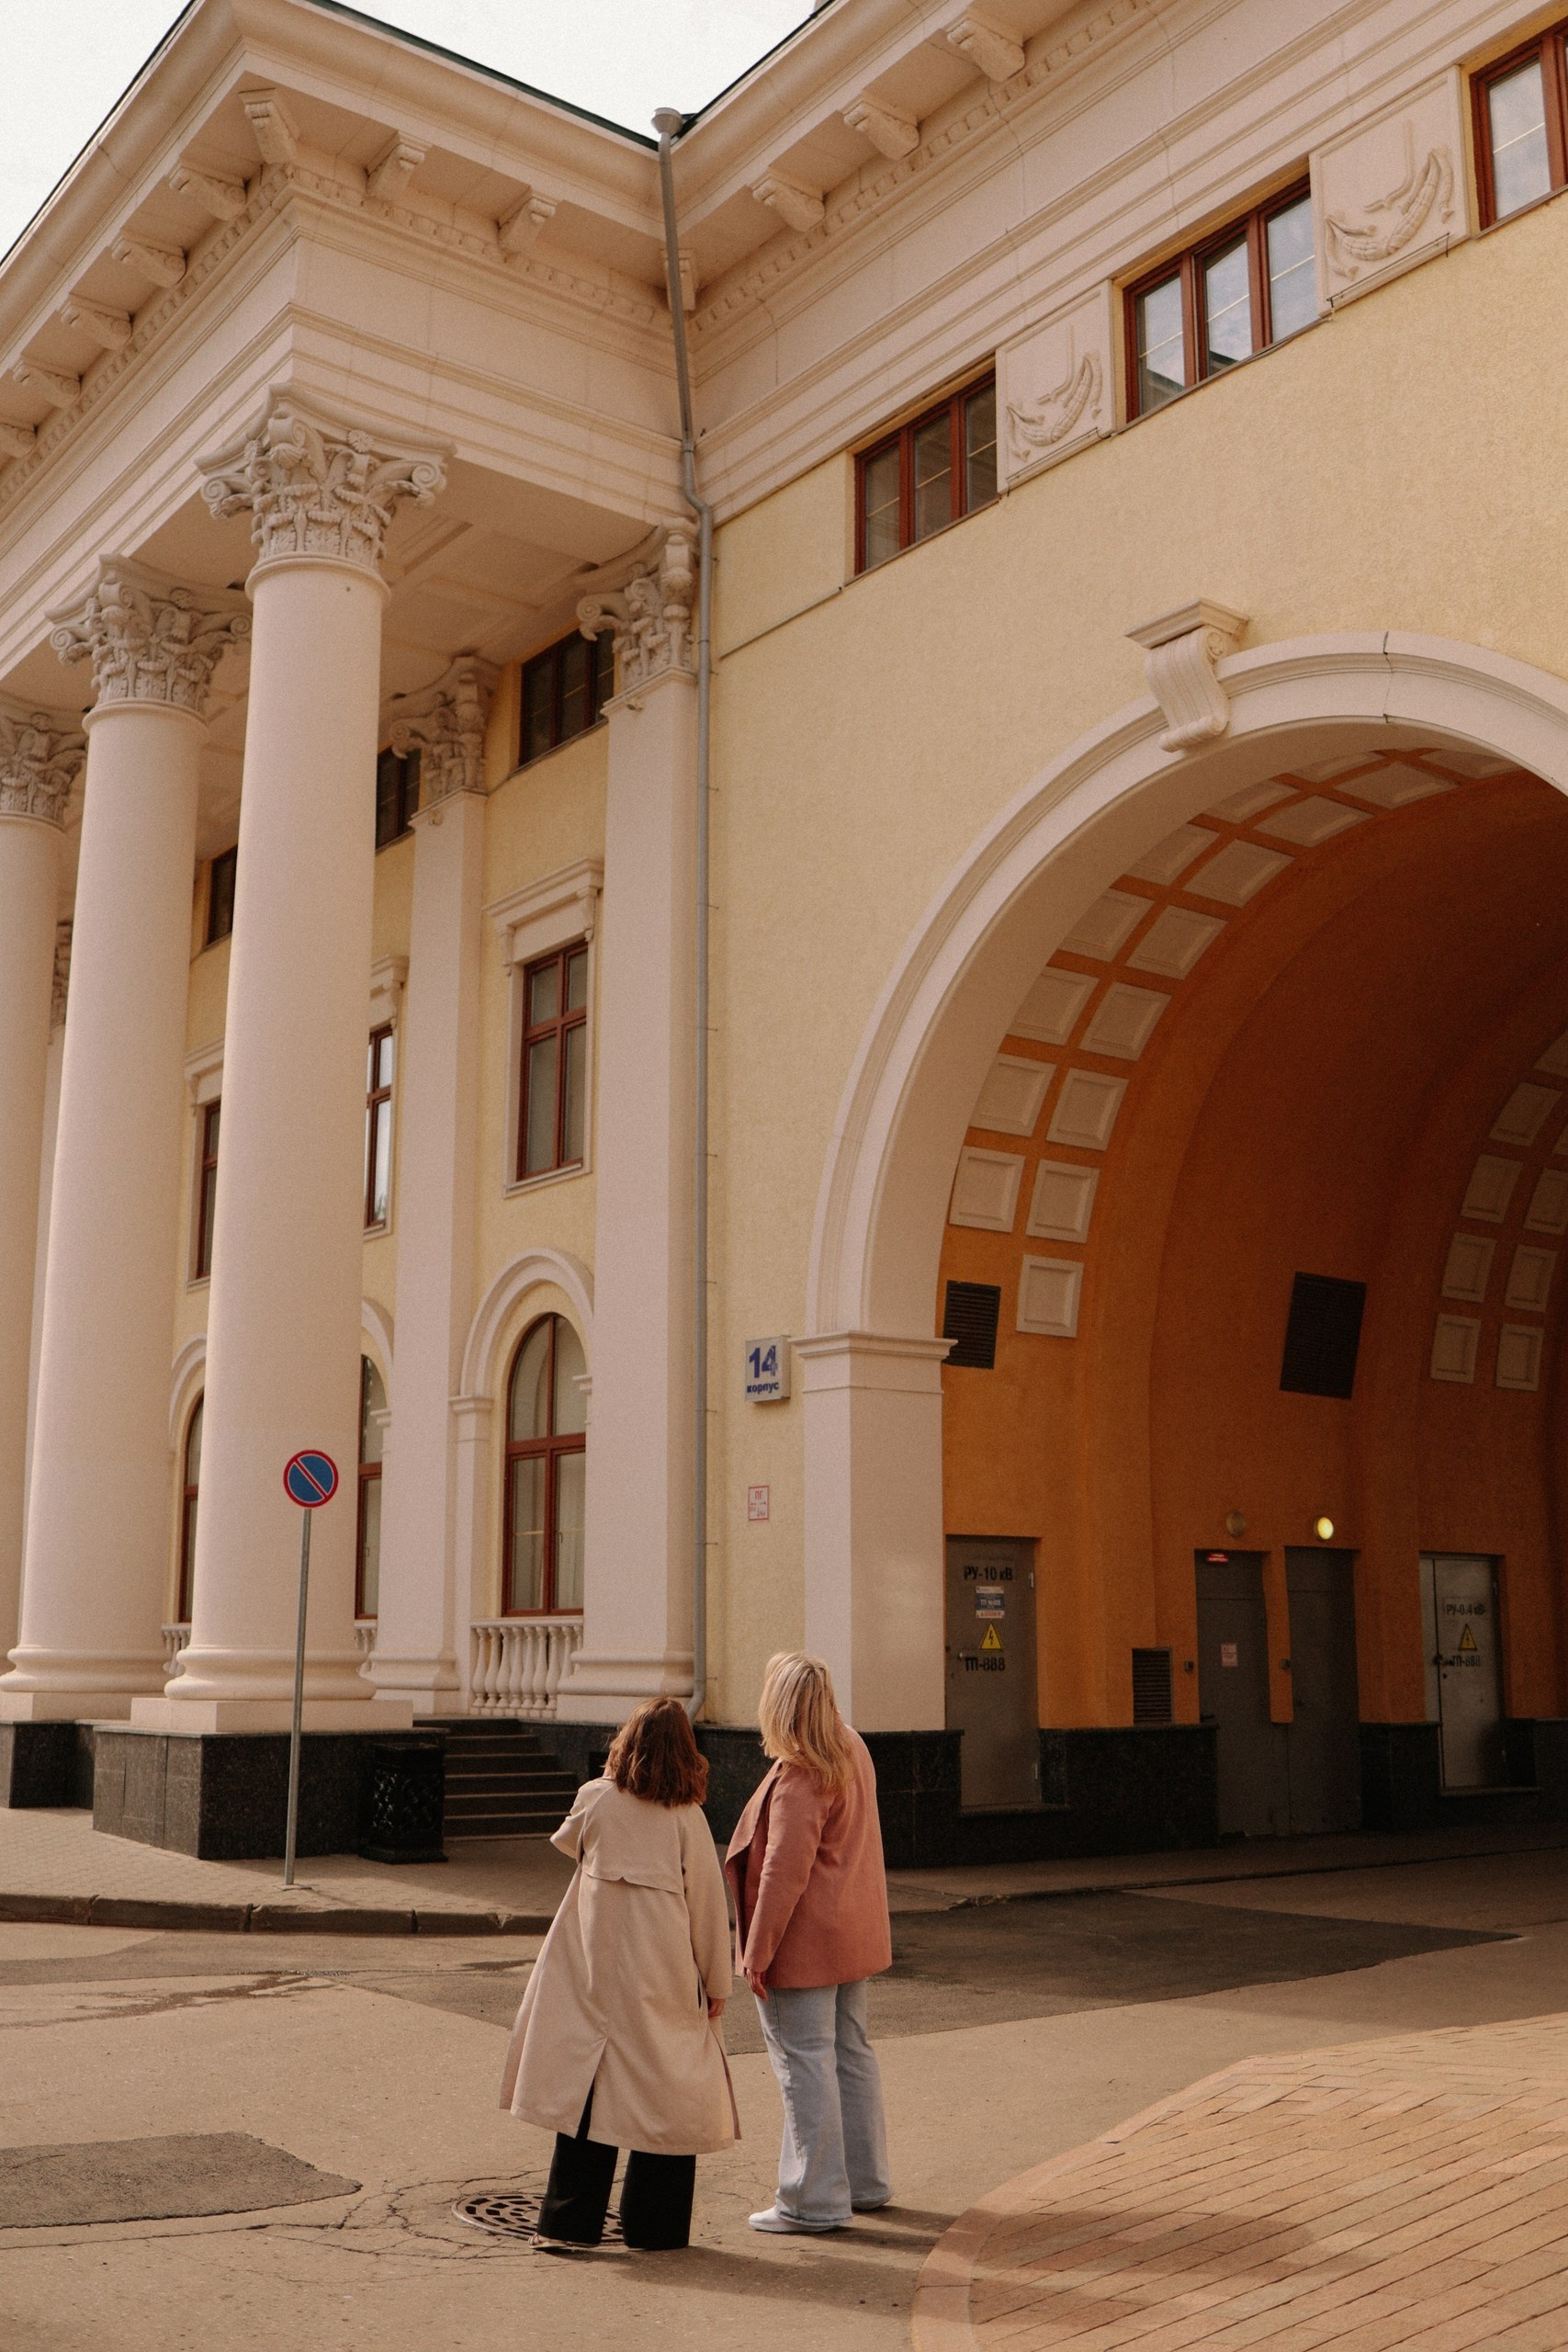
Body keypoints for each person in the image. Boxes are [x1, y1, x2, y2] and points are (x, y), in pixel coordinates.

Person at [500, 1695, 737, 2252]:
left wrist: (611, 1781)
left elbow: (566, 1843)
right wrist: (718, 1984)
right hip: (664, 1973)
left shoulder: (596, 1800)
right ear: (687, 1753)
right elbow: (706, 1906)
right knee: (666, 2093)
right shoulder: (688, 1818)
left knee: (590, 2091)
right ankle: (655, 2230)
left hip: (594, 1970)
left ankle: (566, 2225)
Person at [725, 1651, 894, 2234]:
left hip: (805, 1942)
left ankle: (812, 2200)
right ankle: (865, 2182)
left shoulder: (802, 1773)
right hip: (854, 1932)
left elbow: (781, 1873)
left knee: (805, 2063)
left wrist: (756, 1951)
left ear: (778, 1705)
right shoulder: (852, 1746)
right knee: (850, 2053)